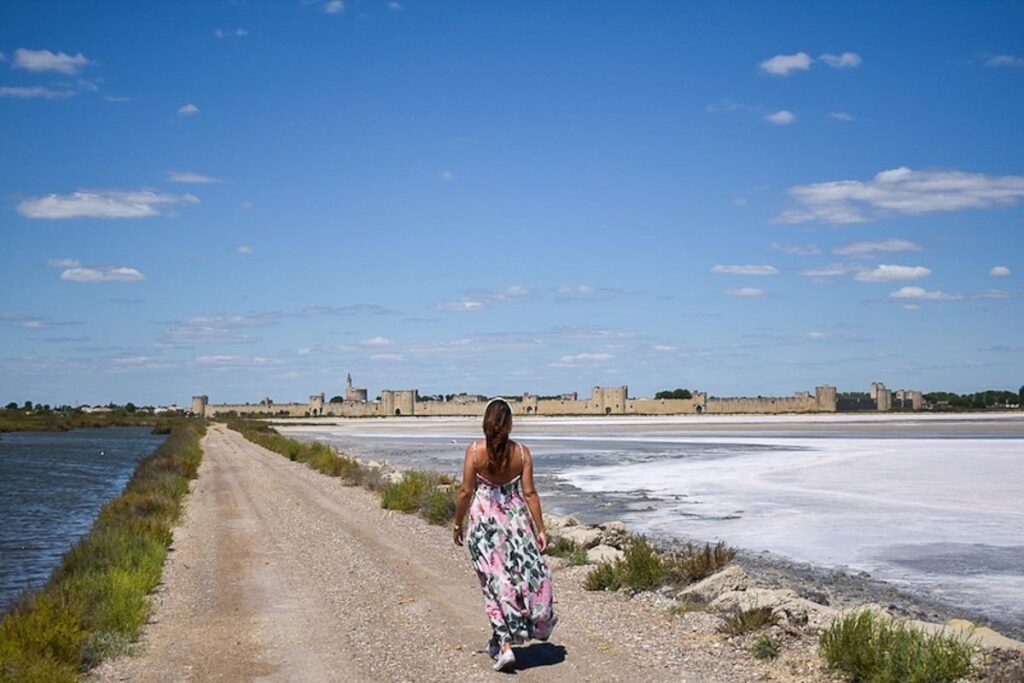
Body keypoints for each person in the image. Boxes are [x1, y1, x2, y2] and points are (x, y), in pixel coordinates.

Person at [453, 397, 557, 671]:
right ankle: (503, 638)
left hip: (484, 525)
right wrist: (541, 529)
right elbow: (530, 493)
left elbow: (465, 491)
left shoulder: (475, 452)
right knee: (516, 579)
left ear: (486, 422)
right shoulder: (522, 453)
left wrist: (456, 524)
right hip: (516, 525)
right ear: (509, 424)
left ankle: (506, 646)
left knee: (493, 583)